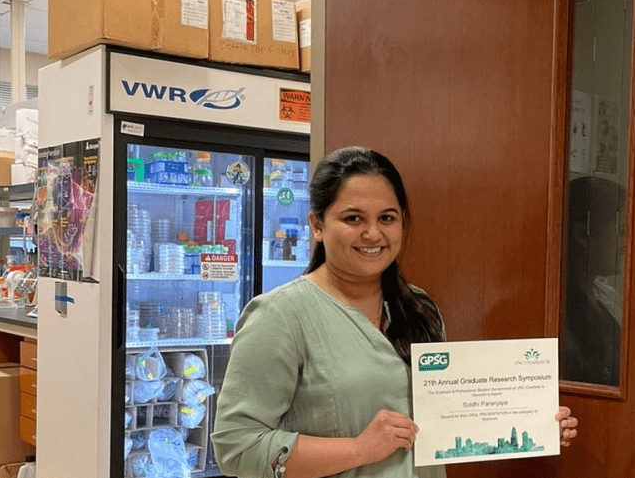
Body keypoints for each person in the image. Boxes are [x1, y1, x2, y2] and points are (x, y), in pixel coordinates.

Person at [212, 147, 579, 478]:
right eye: (353, 219)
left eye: (387, 218)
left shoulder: (421, 309)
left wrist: (530, 423)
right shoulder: (280, 316)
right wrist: (359, 450)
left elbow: (452, 420)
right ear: (317, 225)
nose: (373, 234)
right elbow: (236, 447)